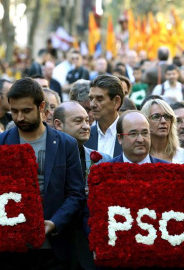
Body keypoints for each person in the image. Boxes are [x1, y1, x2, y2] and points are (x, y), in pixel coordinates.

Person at [0, 77, 85, 269]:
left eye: (26, 111)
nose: (19, 118)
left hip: (54, 248)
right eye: (14, 111)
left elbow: (76, 193)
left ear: (41, 107)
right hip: (11, 247)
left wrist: (55, 223)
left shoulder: (66, 144)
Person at [53, 101, 111, 270]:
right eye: (78, 121)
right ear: (58, 124)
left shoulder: (102, 160)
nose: (86, 126)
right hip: (57, 246)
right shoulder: (46, 160)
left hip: (90, 248)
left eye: (87, 120)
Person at [141, 99, 184, 163]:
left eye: (167, 116)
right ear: (145, 121)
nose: (163, 121)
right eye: (156, 116)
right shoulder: (138, 156)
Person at [85, 75, 124, 157]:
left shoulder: (129, 135)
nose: (92, 104)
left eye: (99, 99)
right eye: (91, 99)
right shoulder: (85, 136)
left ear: (116, 102)